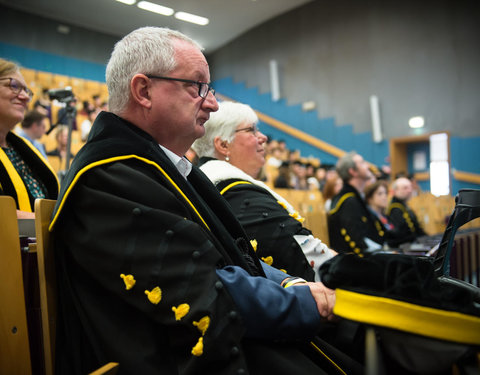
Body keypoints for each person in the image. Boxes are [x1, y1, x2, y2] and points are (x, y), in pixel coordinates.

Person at [51, 27, 338, 375]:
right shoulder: (107, 179)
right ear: (143, 90)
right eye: (197, 87)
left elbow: (233, 256)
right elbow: (204, 291)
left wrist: (288, 283)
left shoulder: (161, 166)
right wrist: (304, 302)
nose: (213, 104)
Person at [192, 101, 335, 281]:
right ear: (223, 145)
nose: (263, 137)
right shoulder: (236, 192)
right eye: (251, 130)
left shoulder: (220, 185)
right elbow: (310, 258)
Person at [0, 58, 58, 218]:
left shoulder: (22, 147)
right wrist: (54, 223)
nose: (25, 97)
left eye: (27, 91)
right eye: (14, 86)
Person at [327, 151, 385, 256]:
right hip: (353, 264)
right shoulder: (348, 201)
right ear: (353, 171)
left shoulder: (354, 197)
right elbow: (356, 243)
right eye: (362, 163)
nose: (367, 166)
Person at [386, 176, 426, 244]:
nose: (409, 190)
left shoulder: (404, 205)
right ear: (395, 191)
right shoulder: (395, 208)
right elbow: (401, 235)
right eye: (405, 188)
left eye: (410, 187)